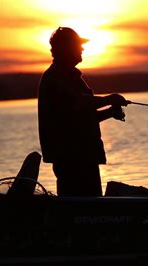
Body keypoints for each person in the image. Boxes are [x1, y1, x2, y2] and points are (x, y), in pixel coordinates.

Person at [38, 27, 128, 197]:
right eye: (78, 45)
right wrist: (111, 98)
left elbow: (81, 116)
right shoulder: (55, 77)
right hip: (72, 158)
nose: (82, 49)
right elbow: (78, 102)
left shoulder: (71, 77)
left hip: (84, 156)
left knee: (91, 206)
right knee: (80, 208)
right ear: (66, 48)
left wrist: (110, 112)